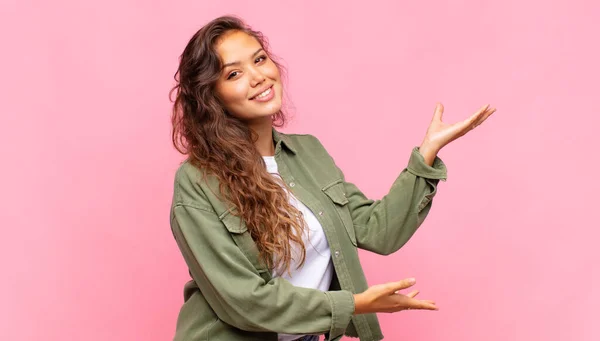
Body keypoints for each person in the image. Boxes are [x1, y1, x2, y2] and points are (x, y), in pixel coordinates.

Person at [168, 15, 496, 341]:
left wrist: (426, 153)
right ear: (211, 96)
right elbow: (243, 300)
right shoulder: (197, 183)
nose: (258, 77)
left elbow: (379, 230)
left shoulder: (309, 153)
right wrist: (354, 304)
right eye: (234, 73)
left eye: (260, 59)